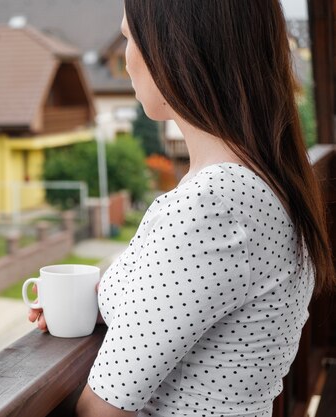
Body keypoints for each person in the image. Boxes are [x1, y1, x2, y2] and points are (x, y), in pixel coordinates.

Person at [28, 1, 335, 416]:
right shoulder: (261, 179)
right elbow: (188, 303)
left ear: (176, 50)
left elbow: (101, 409)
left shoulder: (216, 203)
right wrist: (90, 305)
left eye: (129, 38)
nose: (126, 57)